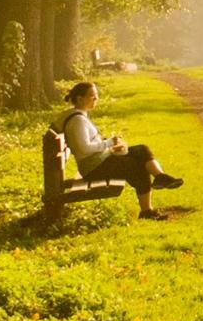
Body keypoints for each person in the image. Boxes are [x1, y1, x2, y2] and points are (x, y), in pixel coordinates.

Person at [59, 81, 184, 218]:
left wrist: (110, 148)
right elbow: (84, 149)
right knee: (137, 166)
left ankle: (160, 177)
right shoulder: (78, 120)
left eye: (97, 95)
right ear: (80, 99)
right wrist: (109, 143)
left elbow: (86, 145)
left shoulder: (80, 116)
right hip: (93, 168)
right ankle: (147, 211)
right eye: (92, 96)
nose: (96, 99)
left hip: (98, 161)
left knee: (141, 150)